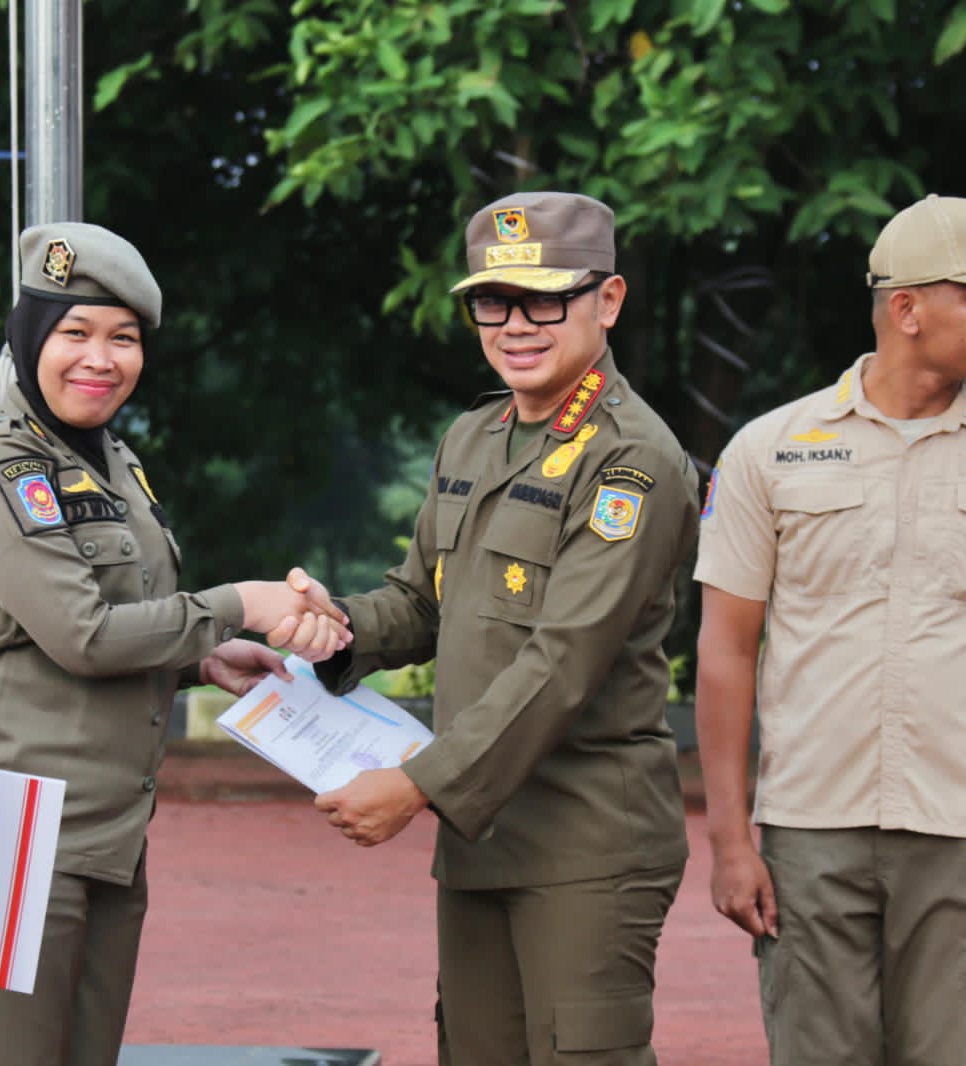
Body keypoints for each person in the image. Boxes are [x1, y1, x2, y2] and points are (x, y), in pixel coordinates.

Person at [282, 192, 701, 1065]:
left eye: (543, 301)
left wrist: (418, 785)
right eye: (492, 302)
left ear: (607, 301)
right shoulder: (474, 437)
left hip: (587, 842)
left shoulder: (630, 458)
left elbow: (563, 661)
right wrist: (324, 627)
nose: (514, 325)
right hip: (482, 838)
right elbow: (419, 603)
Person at [0, 221, 350, 1066]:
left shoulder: (110, 460)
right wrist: (239, 606)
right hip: (20, 830)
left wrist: (201, 660)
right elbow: (82, 634)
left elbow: (112, 615)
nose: (100, 359)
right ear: (30, 337)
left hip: (110, 832)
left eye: (122, 339)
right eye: (75, 333)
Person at [693, 194, 966, 1065]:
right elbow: (724, 650)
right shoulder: (769, 450)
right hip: (809, 828)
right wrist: (728, 841)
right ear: (906, 309)